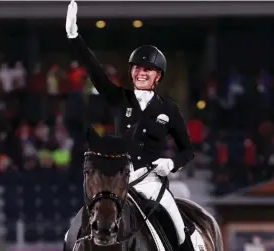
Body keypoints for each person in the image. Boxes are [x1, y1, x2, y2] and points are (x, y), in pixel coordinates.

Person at [65, 1, 196, 250]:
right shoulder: (119, 98)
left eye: (148, 69)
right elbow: (95, 71)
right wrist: (74, 37)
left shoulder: (169, 110)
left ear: (158, 76)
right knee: (73, 230)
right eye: (137, 68)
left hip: (150, 180)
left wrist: (170, 164)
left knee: (178, 227)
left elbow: (187, 150)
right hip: (116, 178)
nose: (141, 73)